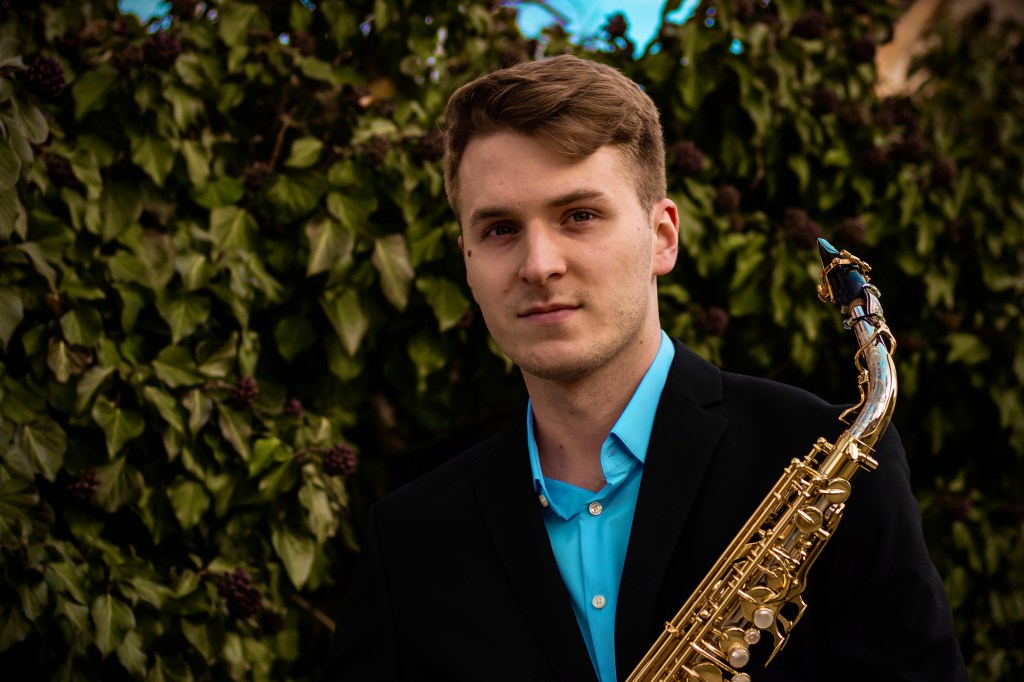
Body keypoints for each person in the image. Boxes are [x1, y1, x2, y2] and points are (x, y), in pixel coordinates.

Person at [324, 54, 967, 681]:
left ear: (662, 236)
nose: (539, 264)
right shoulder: (408, 541)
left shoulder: (830, 460)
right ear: (466, 259)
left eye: (579, 215)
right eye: (498, 229)